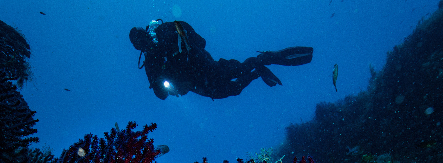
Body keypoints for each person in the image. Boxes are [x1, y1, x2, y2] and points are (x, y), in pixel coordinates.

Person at [129, 20, 313, 100]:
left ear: (146, 33)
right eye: (139, 44)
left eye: (142, 39)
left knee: (235, 73)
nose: (144, 44)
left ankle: (262, 59)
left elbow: (200, 41)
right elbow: (160, 94)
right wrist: (165, 85)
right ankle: (258, 68)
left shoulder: (167, 33)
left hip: (203, 67)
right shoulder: (151, 61)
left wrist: (191, 54)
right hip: (195, 82)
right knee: (231, 89)